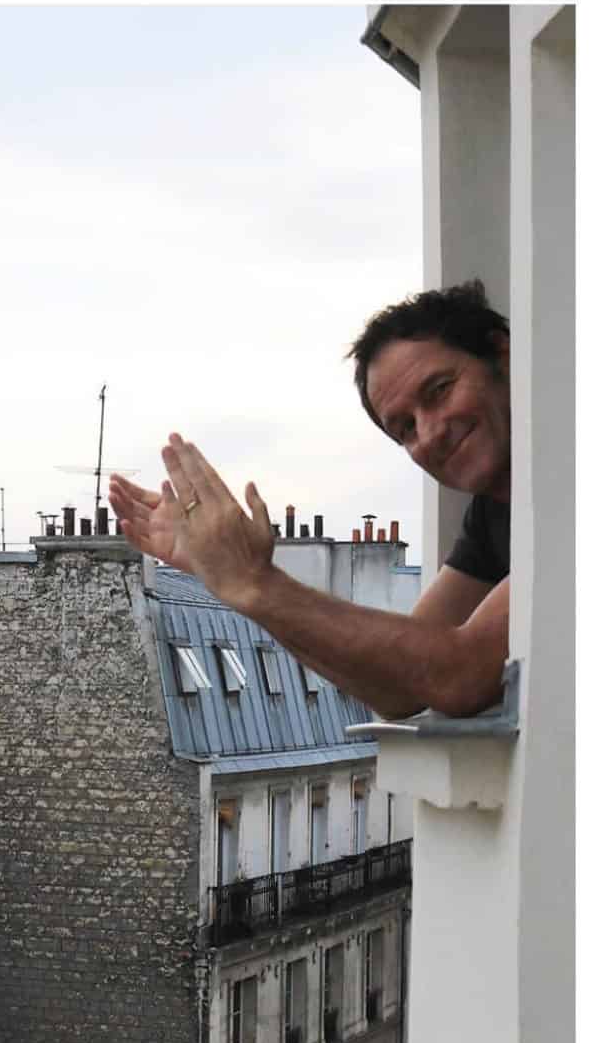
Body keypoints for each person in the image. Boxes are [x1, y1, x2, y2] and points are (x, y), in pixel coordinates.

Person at [107, 281, 510, 720]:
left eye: (439, 390)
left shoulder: (573, 480)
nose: (429, 433)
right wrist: (230, 575)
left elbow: (459, 674)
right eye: (406, 429)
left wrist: (254, 582)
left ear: (502, 354)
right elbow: (399, 689)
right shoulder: (495, 513)